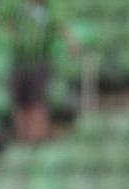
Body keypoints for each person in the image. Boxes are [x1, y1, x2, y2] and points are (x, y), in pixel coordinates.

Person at [5, 0, 77, 143]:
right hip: (18, 63)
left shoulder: (48, 11)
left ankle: (36, 139)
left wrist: (72, 44)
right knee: (19, 104)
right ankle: (22, 140)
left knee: (36, 103)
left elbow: (61, 27)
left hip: (38, 63)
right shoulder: (19, 9)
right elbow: (7, 25)